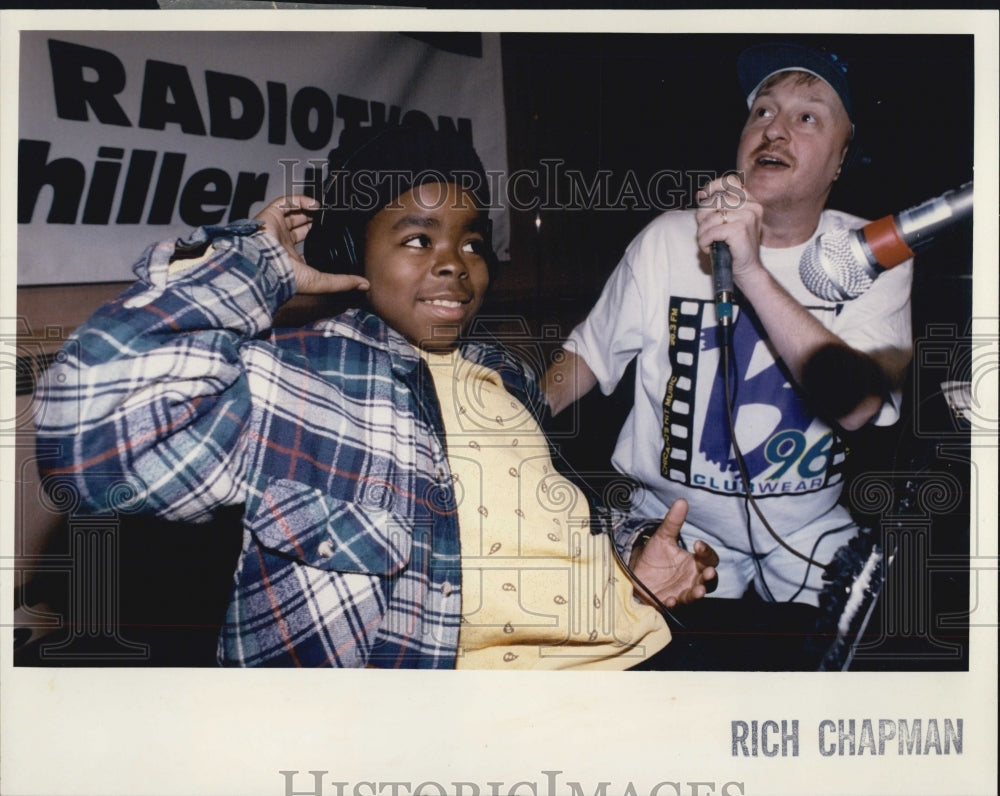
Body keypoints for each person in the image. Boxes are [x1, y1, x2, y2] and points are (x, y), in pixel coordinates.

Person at [34, 125, 717, 669]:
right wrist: (259, 263)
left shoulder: (502, 373)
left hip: (645, 648)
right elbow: (92, 441)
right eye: (418, 239)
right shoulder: (297, 379)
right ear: (350, 253)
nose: (455, 262)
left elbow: (558, 517)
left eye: (471, 241)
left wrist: (633, 552)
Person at [543, 42, 913, 608]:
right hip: (671, 521)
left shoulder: (875, 253)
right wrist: (501, 431)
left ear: (841, 158)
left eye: (807, 116)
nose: (774, 130)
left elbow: (857, 405)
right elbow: (587, 358)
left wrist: (750, 270)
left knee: (870, 639)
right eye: (762, 111)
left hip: (806, 528)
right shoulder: (668, 237)